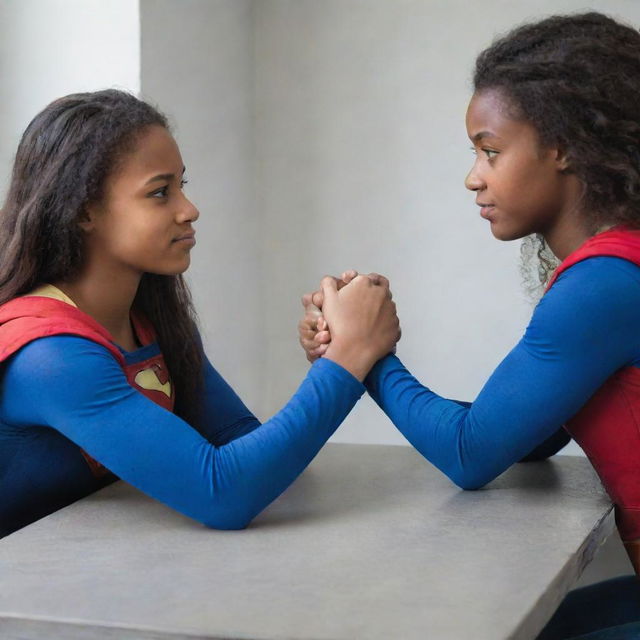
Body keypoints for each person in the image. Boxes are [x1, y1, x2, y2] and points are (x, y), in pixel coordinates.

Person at [298, 12, 640, 639]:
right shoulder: (613, 269)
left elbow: (471, 453)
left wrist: (364, 353)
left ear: (562, 146)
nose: (473, 176)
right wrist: (361, 350)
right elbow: (528, 436)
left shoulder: (603, 285)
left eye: (490, 151)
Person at [0, 89, 400, 537]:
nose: (189, 210)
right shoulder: (49, 355)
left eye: (181, 186)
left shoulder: (152, 323)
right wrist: (348, 356)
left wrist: (338, 352)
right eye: (159, 193)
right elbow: (224, 493)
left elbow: (244, 447)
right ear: (84, 213)